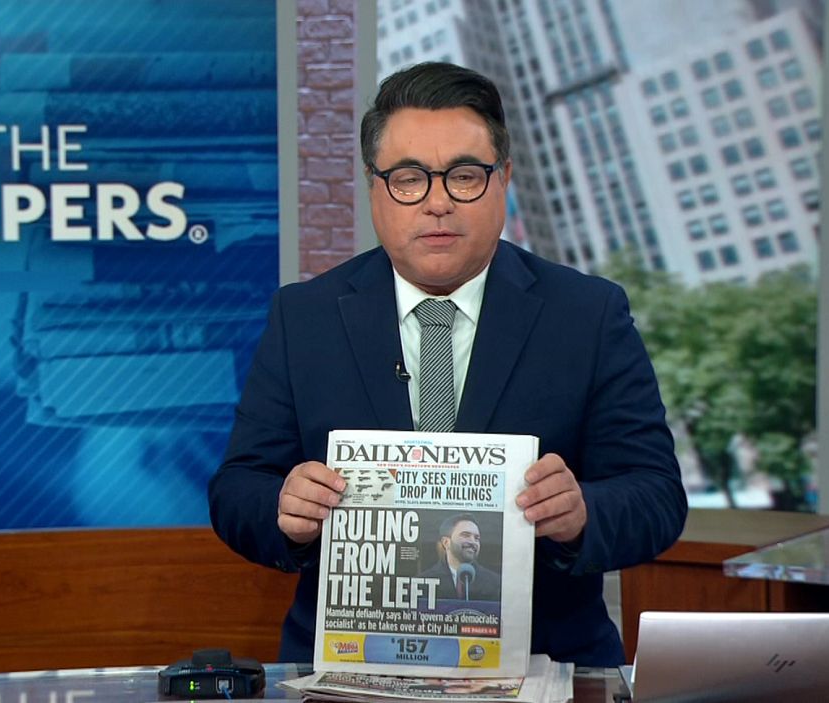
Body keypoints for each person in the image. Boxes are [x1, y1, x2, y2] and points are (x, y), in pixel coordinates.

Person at [208, 61, 687, 666]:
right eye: (409, 179)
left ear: (503, 178)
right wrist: (284, 507)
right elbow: (237, 489)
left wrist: (583, 513)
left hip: (544, 665)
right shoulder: (304, 316)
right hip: (353, 667)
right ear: (374, 187)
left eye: (464, 176)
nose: (437, 203)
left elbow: (657, 496)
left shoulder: (587, 314)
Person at [418, 514, 501, 603]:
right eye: (465, 535)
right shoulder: (423, 582)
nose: (473, 542)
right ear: (446, 542)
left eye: (476, 538)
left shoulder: (496, 583)